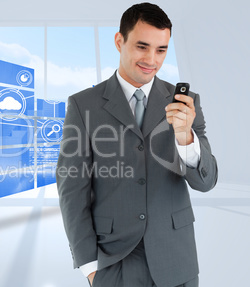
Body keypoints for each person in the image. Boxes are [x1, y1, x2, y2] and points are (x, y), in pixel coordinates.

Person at [56, 2, 218, 287]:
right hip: (112, 262)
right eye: (142, 46)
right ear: (119, 41)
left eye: (161, 50)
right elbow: (72, 190)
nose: (151, 60)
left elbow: (206, 183)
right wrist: (89, 266)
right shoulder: (83, 105)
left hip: (176, 261)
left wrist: (185, 137)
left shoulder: (186, 103)